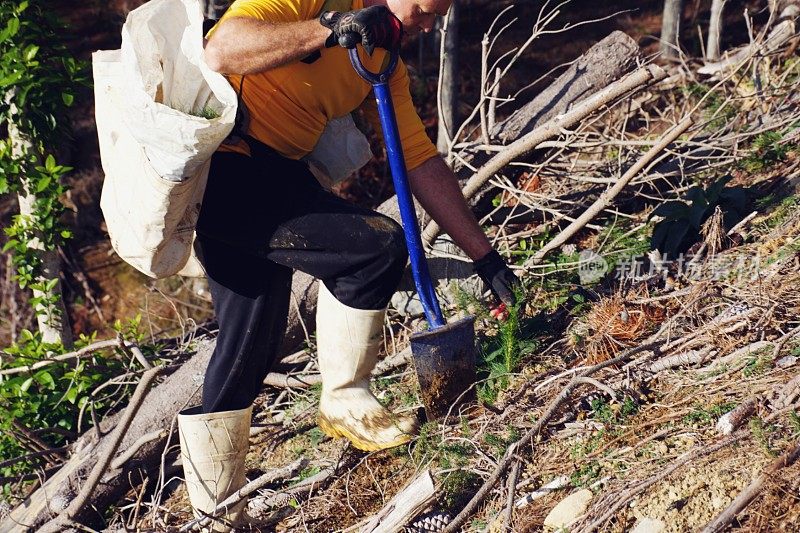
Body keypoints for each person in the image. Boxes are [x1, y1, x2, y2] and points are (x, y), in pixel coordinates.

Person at [176, 0, 519, 527]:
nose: (430, 24)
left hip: (279, 177)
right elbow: (221, 49)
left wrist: (485, 256)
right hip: (224, 169)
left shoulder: (384, 61)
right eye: (427, 9)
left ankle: (215, 515)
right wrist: (329, 28)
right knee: (377, 245)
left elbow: (420, 160)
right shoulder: (315, 5)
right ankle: (344, 397)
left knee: (251, 342)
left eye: (437, 17)